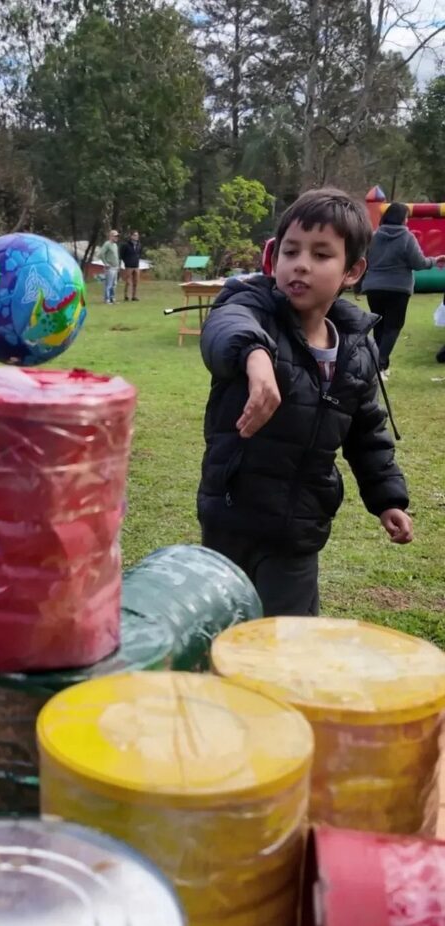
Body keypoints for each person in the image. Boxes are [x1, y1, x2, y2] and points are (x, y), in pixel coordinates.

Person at [197, 188, 412, 617]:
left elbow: (366, 434)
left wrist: (388, 498)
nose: (301, 264)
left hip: (299, 529)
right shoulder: (253, 308)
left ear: (352, 270)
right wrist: (255, 355)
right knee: (221, 635)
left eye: (321, 254)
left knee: (288, 641)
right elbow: (227, 325)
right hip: (232, 520)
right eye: (291, 251)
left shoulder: (356, 352)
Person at [361, 202, 445, 380]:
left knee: (379, 326)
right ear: (401, 219)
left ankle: (380, 365)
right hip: (398, 288)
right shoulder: (406, 237)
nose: (407, 221)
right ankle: (379, 365)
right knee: (393, 327)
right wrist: (434, 260)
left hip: (374, 287)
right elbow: (418, 263)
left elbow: (364, 260)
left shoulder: (373, 237)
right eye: (406, 217)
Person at [120, 230, 143, 301]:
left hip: (136, 266)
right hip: (129, 266)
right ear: (131, 236)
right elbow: (122, 255)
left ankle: (134, 296)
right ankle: (126, 296)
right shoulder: (126, 245)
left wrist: (137, 260)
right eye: (135, 235)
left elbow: (139, 254)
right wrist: (126, 262)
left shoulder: (139, 245)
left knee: (136, 282)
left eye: (137, 235)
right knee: (128, 282)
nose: (136, 237)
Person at [99, 229, 120, 304]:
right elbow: (101, 254)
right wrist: (106, 263)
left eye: (117, 236)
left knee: (114, 284)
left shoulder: (115, 245)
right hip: (110, 267)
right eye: (115, 236)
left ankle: (112, 298)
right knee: (109, 284)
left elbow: (116, 256)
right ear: (111, 236)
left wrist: (118, 265)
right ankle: (107, 299)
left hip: (115, 267)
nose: (116, 237)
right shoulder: (107, 244)